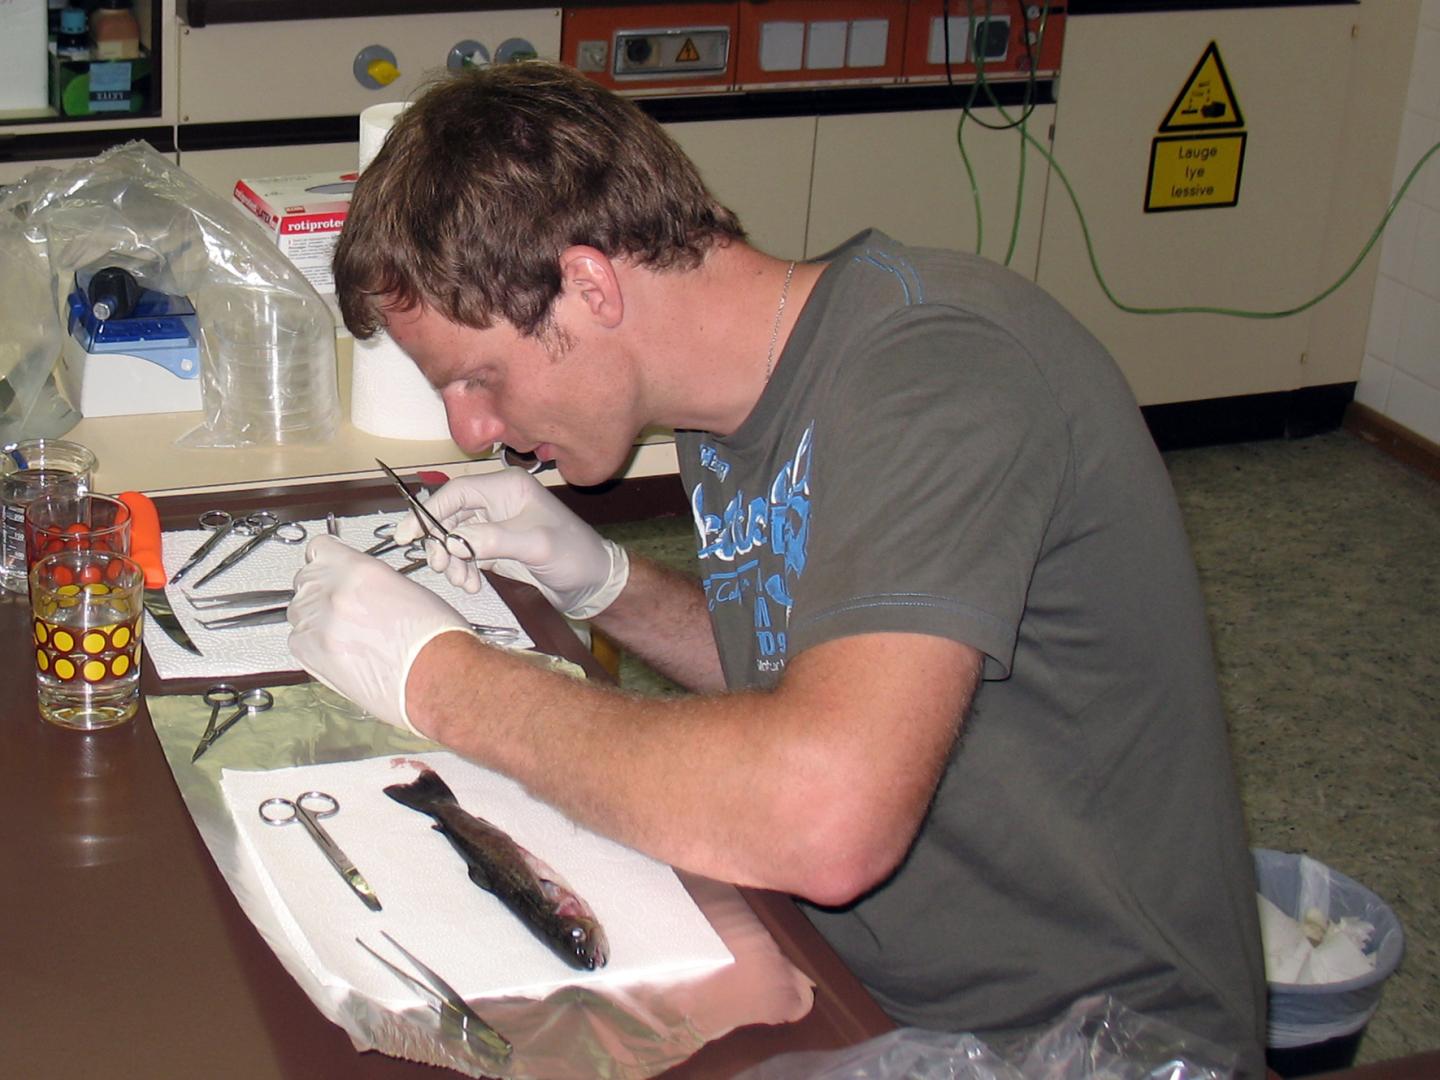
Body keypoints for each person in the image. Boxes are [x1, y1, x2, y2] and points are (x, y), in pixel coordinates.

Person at [289, 61, 1267, 1073]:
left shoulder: (939, 371)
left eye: (477, 377)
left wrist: (441, 680)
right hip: (861, 977)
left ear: (588, 285)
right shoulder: (742, 407)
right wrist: (607, 585)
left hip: (1086, 1038)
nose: (471, 428)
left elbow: (823, 819)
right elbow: (818, 670)